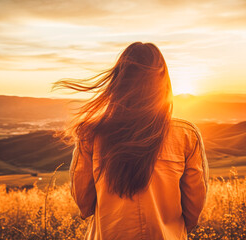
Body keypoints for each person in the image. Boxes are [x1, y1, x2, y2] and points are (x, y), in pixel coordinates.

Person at [54, 42, 209, 239]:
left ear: (118, 81)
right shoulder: (186, 135)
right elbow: (194, 205)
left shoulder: (92, 134)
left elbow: (84, 202)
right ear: (163, 82)